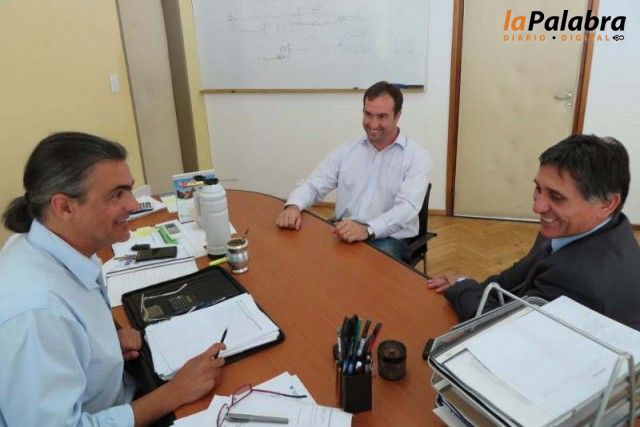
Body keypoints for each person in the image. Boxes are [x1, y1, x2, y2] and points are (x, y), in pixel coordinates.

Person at [0, 132, 226, 426]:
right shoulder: (37, 314)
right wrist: (174, 393)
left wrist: (99, 348)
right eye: (116, 195)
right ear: (64, 207)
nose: (133, 205)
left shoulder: (42, 243)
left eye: (129, 190)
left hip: (115, 390)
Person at [427, 134, 640, 331]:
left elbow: (508, 331)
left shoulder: (578, 279)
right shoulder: (608, 227)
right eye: (538, 188)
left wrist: (463, 288)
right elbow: (523, 269)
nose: (537, 207)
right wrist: (475, 287)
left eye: (556, 197)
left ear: (607, 204)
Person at [275, 81, 432, 261]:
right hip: (344, 229)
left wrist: (367, 230)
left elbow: (406, 209)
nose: (373, 124)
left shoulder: (417, 156)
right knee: (302, 257)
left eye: (382, 116)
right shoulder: (347, 151)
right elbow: (313, 184)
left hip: (389, 238)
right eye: (368, 114)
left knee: (363, 270)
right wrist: (293, 206)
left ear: (397, 116)